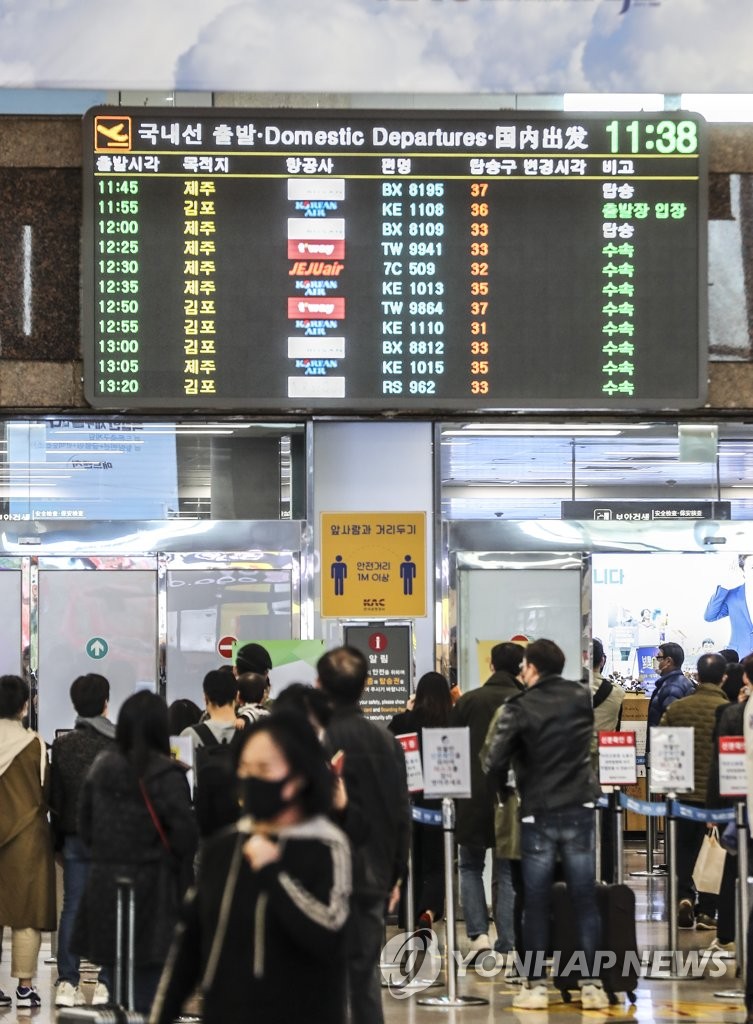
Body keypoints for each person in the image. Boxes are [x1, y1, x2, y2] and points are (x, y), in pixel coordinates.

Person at [151, 710, 352, 1024]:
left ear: (298, 776)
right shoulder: (225, 848)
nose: (251, 779)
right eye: (245, 769)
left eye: (264, 769)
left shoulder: (325, 846)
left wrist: (273, 872)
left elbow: (328, 933)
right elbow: (188, 946)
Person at [481, 639, 607, 1010]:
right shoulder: (581, 698)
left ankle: (535, 986)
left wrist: (505, 787)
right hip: (581, 808)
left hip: (537, 810)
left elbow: (491, 758)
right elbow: (590, 749)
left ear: (531, 668)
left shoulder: (518, 706)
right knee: (584, 898)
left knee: (534, 901)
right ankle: (592, 985)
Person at [73, 691, 198, 1014]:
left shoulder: (101, 768)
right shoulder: (168, 775)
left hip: (106, 884)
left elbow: (84, 827)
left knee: (118, 974)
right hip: (154, 887)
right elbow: (185, 837)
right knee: (150, 980)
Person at [317, 646, 410, 1024]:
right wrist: (396, 874)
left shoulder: (316, 741)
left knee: (322, 980)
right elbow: (400, 812)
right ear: (366, 685)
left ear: (319, 685)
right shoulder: (386, 741)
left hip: (321, 878)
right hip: (373, 876)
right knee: (365, 977)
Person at [450, 641, 524, 960]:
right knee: (506, 869)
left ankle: (478, 935)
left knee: (469, 865)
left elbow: (450, 747)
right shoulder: (525, 701)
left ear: (491, 665)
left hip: (470, 794)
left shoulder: (469, 700)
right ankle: (507, 940)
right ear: (521, 668)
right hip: (511, 796)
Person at [50, 673, 116, 1008]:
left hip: (75, 837)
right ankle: (106, 983)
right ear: (106, 702)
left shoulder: (63, 745)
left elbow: (56, 800)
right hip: (113, 837)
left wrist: (57, 842)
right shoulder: (121, 742)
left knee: (72, 907)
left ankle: (67, 982)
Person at [660, 652, 729, 930]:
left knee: (683, 851)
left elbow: (664, 752)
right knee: (714, 853)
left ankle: (684, 898)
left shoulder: (677, 709)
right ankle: (707, 910)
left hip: (682, 794)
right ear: (723, 678)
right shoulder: (728, 710)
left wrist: (668, 792)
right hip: (717, 798)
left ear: (697, 676)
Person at [0, 674, 55, 1010]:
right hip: (26, 839)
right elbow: (45, 792)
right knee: (25, 914)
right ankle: (24, 987)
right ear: (25, 706)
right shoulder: (35, 743)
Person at [388, 671, 453, 931]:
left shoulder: (403, 721)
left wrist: (406, 712)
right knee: (436, 863)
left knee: (410, 863)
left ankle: (408, 917)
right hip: (441, 802)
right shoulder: (452, 722)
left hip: (409, 803)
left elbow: (389, 752)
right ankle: (428, 911)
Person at [590, 638, 624, 883]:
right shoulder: (618, 693)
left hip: (573, 765)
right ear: (602, 660)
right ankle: (607, 875)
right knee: (608, 826)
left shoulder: (571, 690)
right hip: (606, 766)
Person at [705, 556, 753, 660]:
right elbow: (710, 616)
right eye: (752, 567)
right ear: (742, 571)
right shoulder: (732, 595)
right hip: (739, 658)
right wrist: (724, 586)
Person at [647, 642, 694, 727]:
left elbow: (669, 726)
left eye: (658, 658)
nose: (655, 661)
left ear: (668, 661)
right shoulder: (684, 682)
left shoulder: (671, 688)